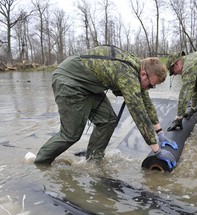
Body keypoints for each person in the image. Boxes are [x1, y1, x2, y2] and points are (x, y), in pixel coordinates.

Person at [34, 45, 177, 169]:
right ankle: (40, 164)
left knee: (108, 120)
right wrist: (157, 151)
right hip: (69, 81)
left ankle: (93, 161)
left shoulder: (137, 71)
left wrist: (160, 134)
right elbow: (138, 112)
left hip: (88, 85)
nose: (149, 89)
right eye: (151, 85)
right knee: (71, 134)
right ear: (144, 74)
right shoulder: (127, 74)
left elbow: (146, 103)